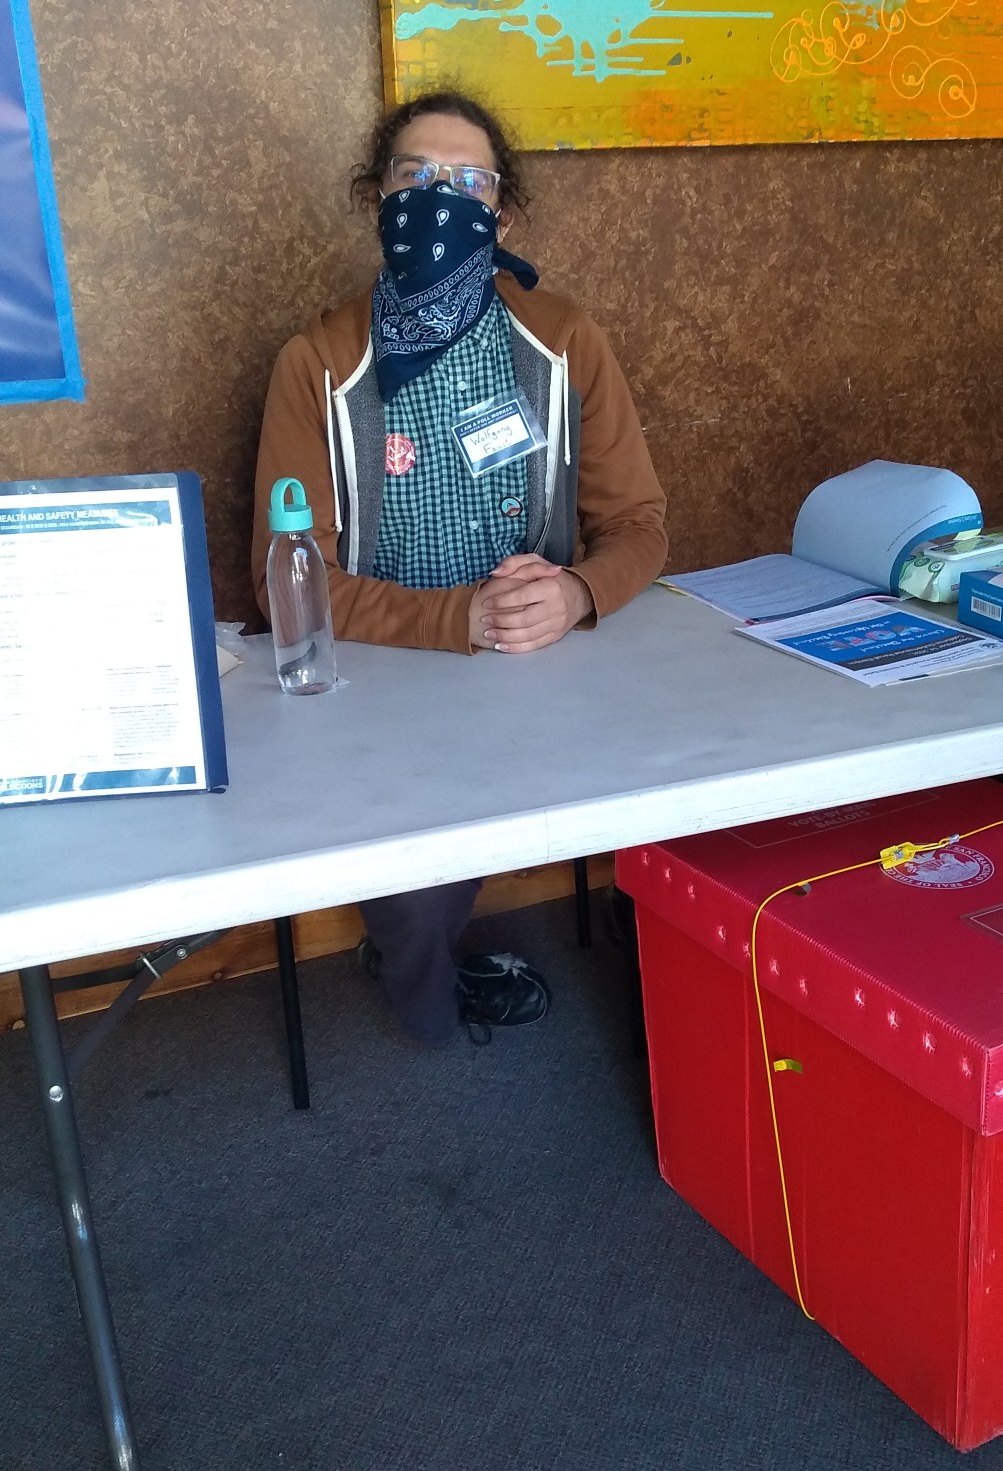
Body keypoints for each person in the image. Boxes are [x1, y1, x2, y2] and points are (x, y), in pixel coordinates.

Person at [252, 90, 669, 1050]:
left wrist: (575, 593)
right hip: (379, 669)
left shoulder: (561, 343)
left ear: (502, 213)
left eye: (467, 181)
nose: (439, 197)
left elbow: (641, 524)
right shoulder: (317, 363)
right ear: (374, 197)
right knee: (409, 882)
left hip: (544, 661)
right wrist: (457, 624)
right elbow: (286, 575)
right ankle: (423, 981)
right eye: (414, 177)